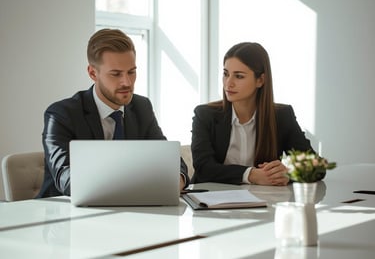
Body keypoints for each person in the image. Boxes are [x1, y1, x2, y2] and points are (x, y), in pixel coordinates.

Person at [37, 28, 189, 198]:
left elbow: (172, 161)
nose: (127, 82)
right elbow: (66, 180)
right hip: (64, 216)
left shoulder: (141, 107)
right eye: (116, 74)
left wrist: (176, 181)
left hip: (128, 213)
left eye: (131, 72)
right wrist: (140, 184)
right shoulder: (61, 115)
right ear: (93, 73)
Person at [191, 42, 314, 186]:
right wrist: (250, 175)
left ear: (260, 80)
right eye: (226, 74)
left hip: (263, 202)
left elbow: (314, 166)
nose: (228, 83)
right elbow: (204, 169)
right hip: (210, 202)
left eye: (239, 76)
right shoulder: (205, 115)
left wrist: (289, 174)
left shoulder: (282, 116)